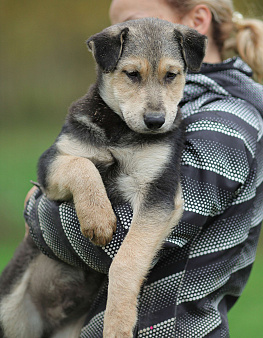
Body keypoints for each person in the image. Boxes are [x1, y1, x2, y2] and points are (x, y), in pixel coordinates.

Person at [23, 0, 263, 337]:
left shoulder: (226, 123)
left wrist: (36, 212)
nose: (128, 35)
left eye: (139, 21)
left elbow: (106, 239)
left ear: (197, 21)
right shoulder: (180, 106)